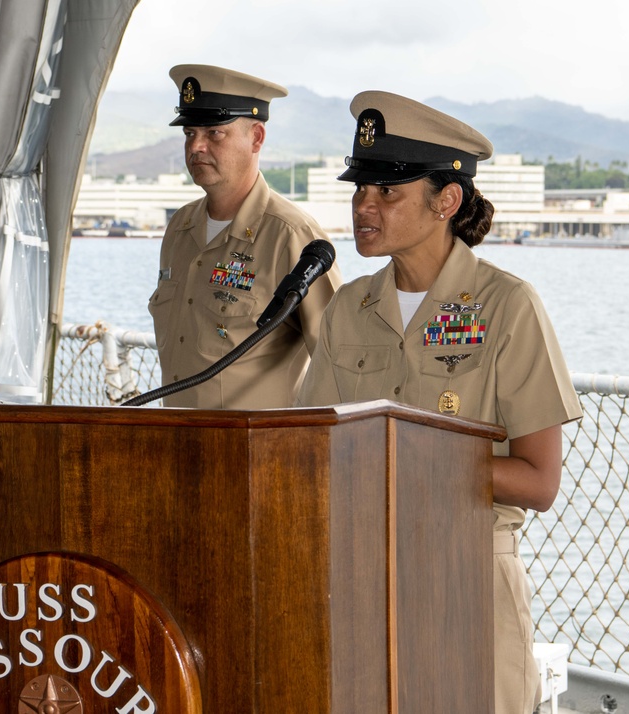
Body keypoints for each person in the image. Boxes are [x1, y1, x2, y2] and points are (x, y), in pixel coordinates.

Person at [295, 91, 583, 714]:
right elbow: (312, 448)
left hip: (469, 580)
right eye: (360, 189)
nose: (363, 206)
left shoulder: (507, 306)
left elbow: (539, 481)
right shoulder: (347, 309)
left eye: (387, 191)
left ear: (446, 201)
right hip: (363, 581)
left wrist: (404, 456)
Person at [148, 64, 341, 408]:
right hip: (173, 435)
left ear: (256, 138)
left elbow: (338, 364)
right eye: (190, 133)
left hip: (257, 441)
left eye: (214, 133)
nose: (196, 147)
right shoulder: (180, 228)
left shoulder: (291, 235)